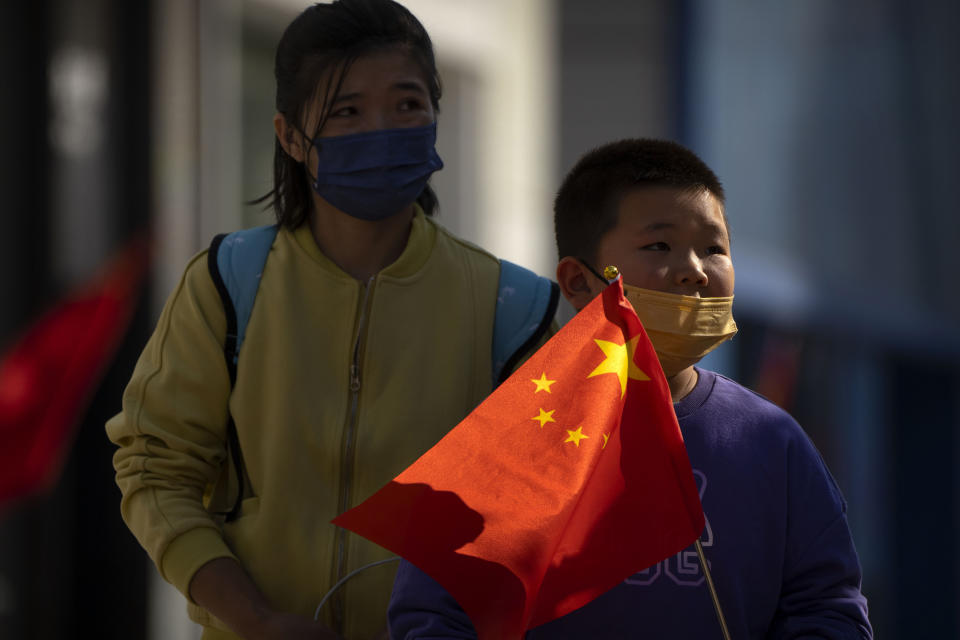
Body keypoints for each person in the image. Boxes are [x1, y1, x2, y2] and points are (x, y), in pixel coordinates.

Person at [106, 2, 555, 639]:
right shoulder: (228, 283)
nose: (383, 129)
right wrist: (255, 619)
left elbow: (544, 515)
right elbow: (155, 471)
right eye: (347, 112)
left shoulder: (515, 306)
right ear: (290, 136)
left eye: (407, 105)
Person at [388, 138, 873, 638]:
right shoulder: (509, 441)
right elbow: (433, 616)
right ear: (578, 283)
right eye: (658, 246)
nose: (695, 270)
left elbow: (827, 608)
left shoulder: (771, 441)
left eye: (714, 248)